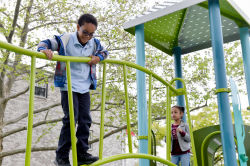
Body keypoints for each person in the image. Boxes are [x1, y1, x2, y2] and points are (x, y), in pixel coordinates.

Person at [37, 14, 108, 166]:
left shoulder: (94, 43)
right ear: (78, 27)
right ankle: (61, 157)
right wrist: (44, 50)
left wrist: (98, 58)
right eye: (85, 32)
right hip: (68, 85)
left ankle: (82, 153)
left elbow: (104, 52)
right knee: (71, 119)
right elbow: (46, 43)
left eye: (91, 33)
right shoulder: (67, 39)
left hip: (84, 87)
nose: (87, 37)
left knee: (85, 120)